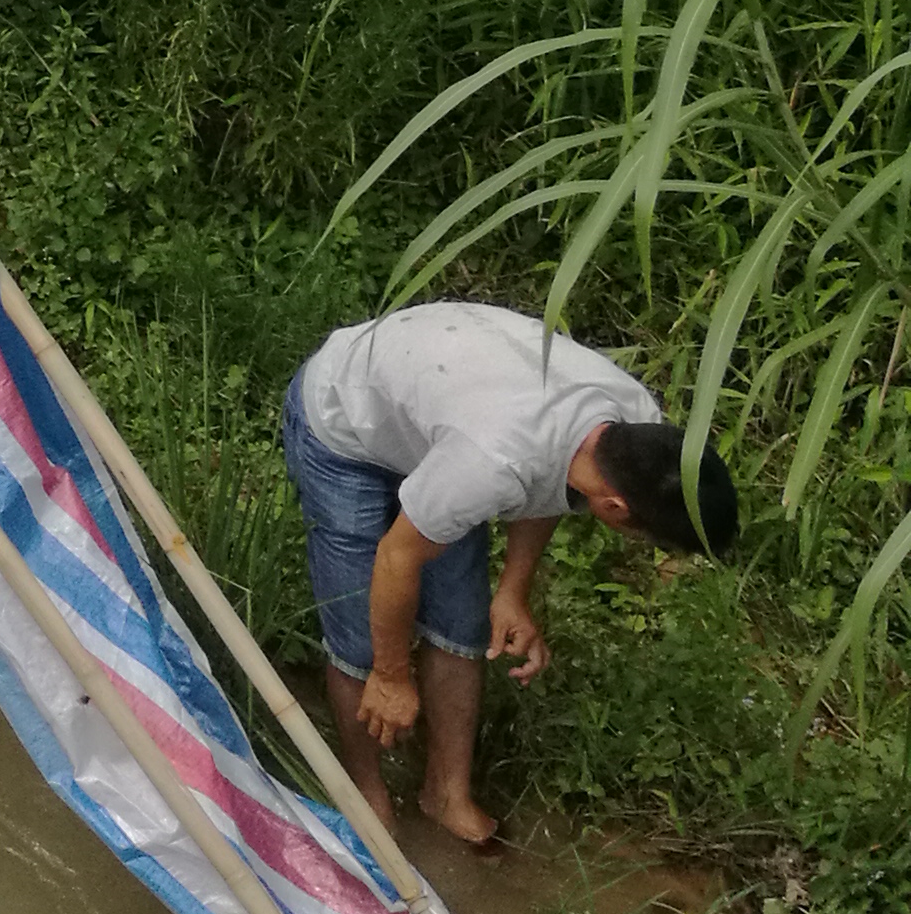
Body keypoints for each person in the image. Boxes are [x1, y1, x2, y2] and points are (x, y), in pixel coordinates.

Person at [284, 303, 738, 851]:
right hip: (347, 417)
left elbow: (555, 481)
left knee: (461, 622)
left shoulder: (633, 428)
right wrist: (390, 674)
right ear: (617, 509)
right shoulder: (492, 462)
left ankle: (445, 793)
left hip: (444, 418)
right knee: (361, 630)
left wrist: (514, 592)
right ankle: (367, 793)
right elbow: (396, 559)